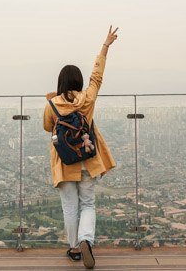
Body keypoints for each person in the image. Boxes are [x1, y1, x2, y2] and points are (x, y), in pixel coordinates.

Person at [43, 25, 119, 269]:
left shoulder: (53, 104)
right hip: (87, 158)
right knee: (87, 203)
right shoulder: (87, 99)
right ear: (78, 81)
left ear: (61, 82)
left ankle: (75, 247)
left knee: (70, 207)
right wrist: (105, 45)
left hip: (65, 162)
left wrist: (53, 100)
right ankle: (87, 239)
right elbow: (97, 76)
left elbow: (47, 127)